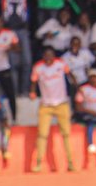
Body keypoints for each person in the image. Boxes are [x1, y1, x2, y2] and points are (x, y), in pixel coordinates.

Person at [30, 45, 76, 173]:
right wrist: (32, 92)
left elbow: (69, 75)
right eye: (46, 55)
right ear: (43, 56)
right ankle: (38, 163)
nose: (48, 58)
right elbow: (34, 81)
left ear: (54, 56)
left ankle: (70, 163)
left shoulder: (61, 64)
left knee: (66, 134)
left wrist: (76, 86)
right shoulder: (38, 67)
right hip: (46, 105)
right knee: (42, 134)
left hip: (62, 103)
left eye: (51, 55)